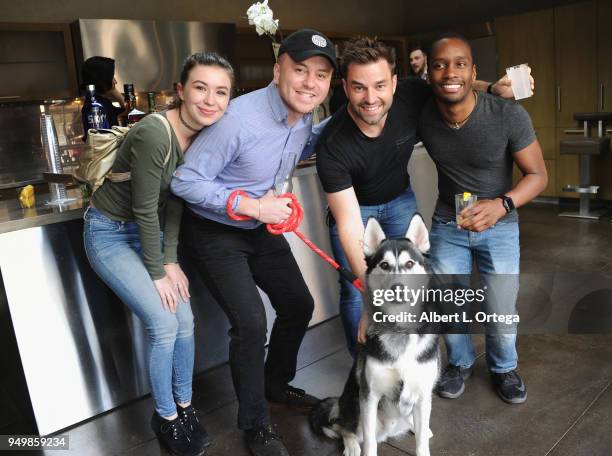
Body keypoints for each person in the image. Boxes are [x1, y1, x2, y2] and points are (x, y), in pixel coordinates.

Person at [171, 29, 336, 456]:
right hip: (214, 230)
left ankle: (275, 386)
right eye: (300, 70)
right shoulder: (238, 119)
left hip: (257, 227)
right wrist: (251, 205)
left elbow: (300, 146)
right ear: (278, 68)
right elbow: (185, 181)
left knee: (298, 304)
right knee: (249, 322)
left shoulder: (306, 117)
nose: (309, 82)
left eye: (320, 75)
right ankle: (256, 423)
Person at [316, 36, 520, 357]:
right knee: (357, 291)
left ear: (395, 83)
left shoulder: (411, 95)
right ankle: (364, 367)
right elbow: (349, 222)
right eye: (359, 87)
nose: (371, 98)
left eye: (380, 85)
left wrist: (493, 88)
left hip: (400, 200)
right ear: (344, 86)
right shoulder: (332, 143)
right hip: (357, 210)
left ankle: (408, 357)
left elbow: (452, 83)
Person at [83, 52, 235, 456]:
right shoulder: (155, 132)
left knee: (184, 321)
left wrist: (171, 261)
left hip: (146, 233)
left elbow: (176, 203)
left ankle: (185, 407)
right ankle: (165, 417)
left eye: (221, 92)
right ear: (181, 91)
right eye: (200, 88)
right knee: (163, 325)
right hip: (110, 233)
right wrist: (158, 269)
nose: (210, 99)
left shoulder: (203, 137)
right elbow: (145, 209)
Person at [418, 34, 548, 404]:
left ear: (474, 71)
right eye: (440, 65)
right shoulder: (422, 109)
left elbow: (538, 175)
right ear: (428, 74)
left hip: (500, 224)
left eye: (460, 64)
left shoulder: (508, 115)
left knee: (501, 304)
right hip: (448, 223)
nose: (449, 72)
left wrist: (502, 205)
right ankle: (458, 363)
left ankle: (504, 368)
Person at [80, 56, 125, 138]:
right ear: (103, 79)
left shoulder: (103, 102)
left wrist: (114, 91)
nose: (116, 81)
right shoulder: (96, 106)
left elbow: (127, 112)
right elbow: (128, 111)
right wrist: (115, 92)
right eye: (112, 77)